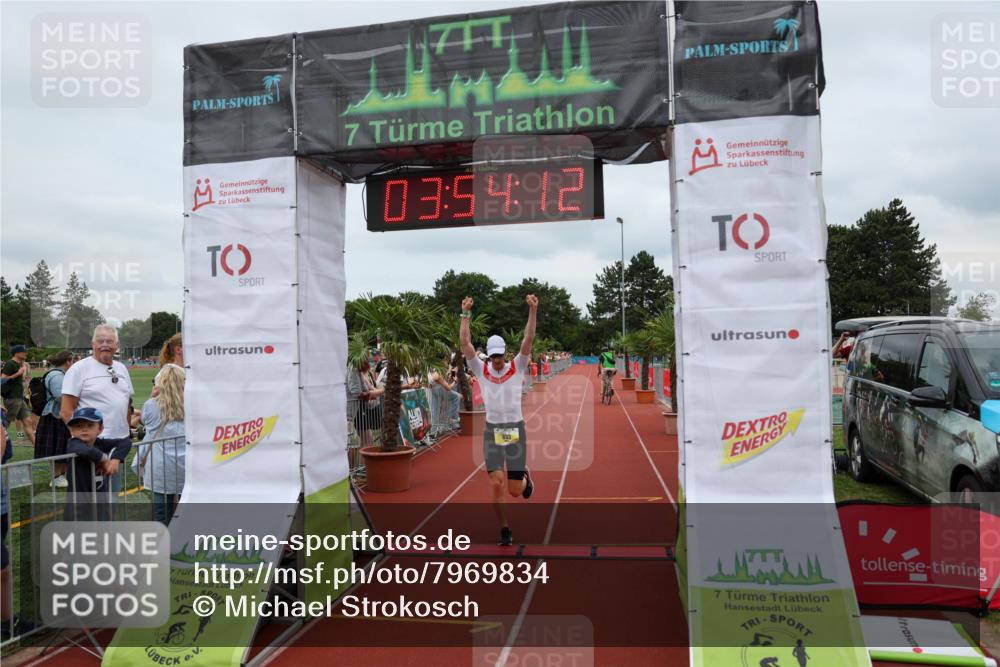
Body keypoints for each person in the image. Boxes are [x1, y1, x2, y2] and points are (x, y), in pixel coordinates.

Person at [460, 294, 537, 547]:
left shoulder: (517, 366)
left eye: (499, 356)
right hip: (493, 431)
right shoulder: (481, 369)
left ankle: (525, 478)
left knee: (515, 490)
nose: (496, 361)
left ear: (505, 353)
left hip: (515, 430)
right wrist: (465, 315)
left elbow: (528, 339)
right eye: (492, 356)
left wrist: (532, 311)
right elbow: (465, 344)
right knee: (496, 483)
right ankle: (504, 528)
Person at [61, 325, 135, 495]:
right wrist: (84, 443)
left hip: (117, 446)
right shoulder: (78, 369)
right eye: (100, 341)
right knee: (87, 503)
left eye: (109, 341)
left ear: (117, 345)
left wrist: (127, 430)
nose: (105, 344)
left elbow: (127, 403)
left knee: (110, 500)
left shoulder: (122, 368)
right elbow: (66, 411)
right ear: (93, 343)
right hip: (89, 448)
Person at [132, 366, 186, 525]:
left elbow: (146, 422)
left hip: (160, 466)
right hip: (186, 465)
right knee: (185, 511)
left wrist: (152, 395)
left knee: (161, 514)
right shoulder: (192, 404)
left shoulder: (151, 405)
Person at [64, 408, 132, 520]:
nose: (84, 429)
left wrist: (115, 459)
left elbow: (126, 442)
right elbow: (86, 451)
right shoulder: (73, 443)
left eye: (90, 425)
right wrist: (104, 459)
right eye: (79, 426)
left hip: (99, 501)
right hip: (79, 505)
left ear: (100, 429)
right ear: (72, 430)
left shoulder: (100, 443)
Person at [34, 351, 74, 488]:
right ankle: (56, 477)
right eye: (72, 361)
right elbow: (60, 397)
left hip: (59, 415)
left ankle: (62, 475)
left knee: (62, 447)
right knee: (57, 448)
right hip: (55, 416)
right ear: (68, 361)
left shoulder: (59, 374)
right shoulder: (57, 375)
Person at [1, 345, 36, 445]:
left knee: (28, 421)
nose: (26, 353)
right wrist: (18, 373)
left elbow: (28, 377)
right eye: (24, 351)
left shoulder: (23, 364)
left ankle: (37, 448)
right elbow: (2, 380)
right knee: (7, 423)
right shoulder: (10, 364)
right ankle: (18, 437)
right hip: (12, 398)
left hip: (20, 397)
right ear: (16, 353)